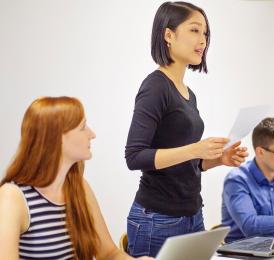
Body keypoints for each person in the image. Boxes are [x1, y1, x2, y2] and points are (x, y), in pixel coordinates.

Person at [125, 1, 248, 257]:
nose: (202, 40)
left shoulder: (188, 94)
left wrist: (215, 159)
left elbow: (186, 162)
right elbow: (135, 156)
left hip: (192, 214)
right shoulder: (155, 87)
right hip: (157, 219)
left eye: (205, 33)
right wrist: (195, 149)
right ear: (168, 35)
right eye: (194, 30)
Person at [0, 97, 152, 260]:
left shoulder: (79, 187)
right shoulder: (13, 197)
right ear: (57, 137)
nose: (92, 134)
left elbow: (108, 254)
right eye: (82, 127)